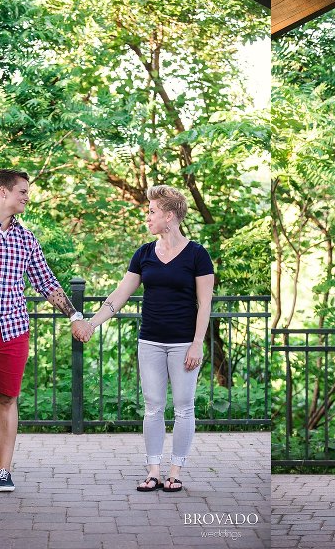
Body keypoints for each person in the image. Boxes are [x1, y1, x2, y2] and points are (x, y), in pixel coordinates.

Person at [0, 169, 93, 493]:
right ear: (4, 192)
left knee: (7, 399)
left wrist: (75, 315)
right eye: (23, 191)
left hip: (12, 332)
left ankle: (3, 471)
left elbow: (47, 283)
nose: (27, 196)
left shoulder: (26, 239)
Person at [74, 185, 214, 493]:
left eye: (151, 211)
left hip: (182, 344)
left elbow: (205, 303)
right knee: (153, 407)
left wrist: (197, 342)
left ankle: (175, 471)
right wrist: (93, 323)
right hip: (150, 341)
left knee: (183, 407)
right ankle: (153, 471)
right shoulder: (144, 254)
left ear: (168, 215)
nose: (147, 217)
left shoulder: (197, 254)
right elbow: (119, 296)